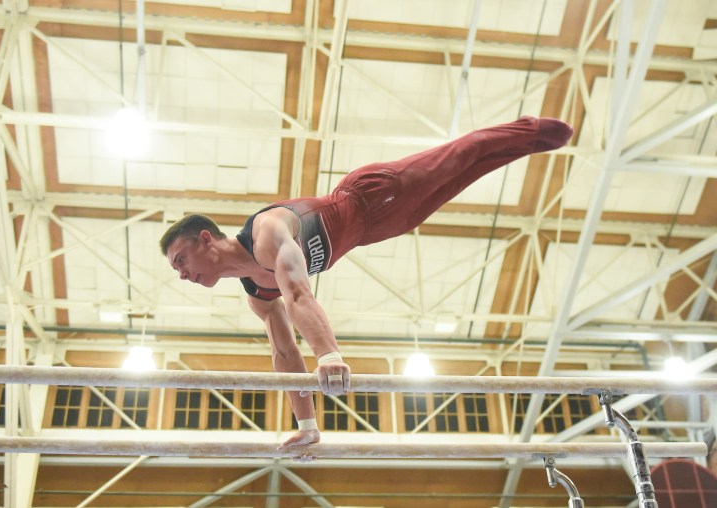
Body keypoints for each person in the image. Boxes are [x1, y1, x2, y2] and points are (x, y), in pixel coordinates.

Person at [159, 115, 573, 451]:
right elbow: (285, 355)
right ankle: (523, 146)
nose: (181, 273)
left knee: (457, 156)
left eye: (181, 259)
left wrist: (328, 355)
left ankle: (529, 129)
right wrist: (308, 425)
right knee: (465, 177)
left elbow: (300, 294)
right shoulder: (257, 297)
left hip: (373, 193)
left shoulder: (267, 232)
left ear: (206, 239)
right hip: (380, 229)